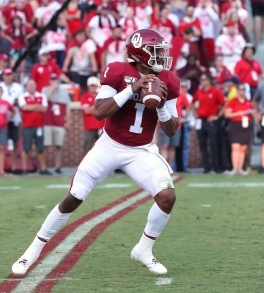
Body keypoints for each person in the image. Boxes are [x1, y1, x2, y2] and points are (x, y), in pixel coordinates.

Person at [12, 29, 180, 276]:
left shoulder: (169, 80)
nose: (162, 57)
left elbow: (172, 130)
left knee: (167, 196)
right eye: (156, 51)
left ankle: (144, 249)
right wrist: (132, 89)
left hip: (141, 150)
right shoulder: (118, 71)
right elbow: (99, 111)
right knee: (74, 196)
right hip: (109, 145)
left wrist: (163, 106)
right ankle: (32, 251)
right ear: (139, 53)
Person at [186, 73, 225, 173]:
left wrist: (218, 115)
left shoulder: (215, 91)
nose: (202, 82)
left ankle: (216, 166)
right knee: (202, 144)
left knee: (213, 144)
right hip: (201, 120)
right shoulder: (199, 92)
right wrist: (194, 113)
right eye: (201, 80)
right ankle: (206, 167)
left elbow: (224, 104)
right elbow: (192, 103)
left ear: (208, 81)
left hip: (211, 121)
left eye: (203, 80)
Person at [18, 79, 50, 175]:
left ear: (36, 86)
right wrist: (36, 106)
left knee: (40, 148)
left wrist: (31, 107)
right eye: (29, 85)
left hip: (39, 125)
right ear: (26, 86)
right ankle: (24, 168)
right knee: (26, 148)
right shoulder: (22, 96)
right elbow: (24, 107)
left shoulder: (41, 96)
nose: (31, 86)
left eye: (33, 84)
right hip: (27, 125)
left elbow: (44, 109)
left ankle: (43, 168)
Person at [42, 73, 71, 174]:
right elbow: (44, 100)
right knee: (46, 145)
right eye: (52, 80)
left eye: (56, 80)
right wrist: (51, 89)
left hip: (59, 122)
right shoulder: (45, 90)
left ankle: (57, 166)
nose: (54, 82)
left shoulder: (64, 92)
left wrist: (68, 121)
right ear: (50, 81)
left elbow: (68, 107)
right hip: (48, 122)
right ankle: (44, 166)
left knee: (59, 145)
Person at [225, 82, 253, 175]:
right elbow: (227, 114)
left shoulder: (248, 101)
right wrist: (239, 113)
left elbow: (253, 113)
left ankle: (240, 169)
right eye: (240, 89)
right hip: (235, 124)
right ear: (237, 91)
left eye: (243, 89)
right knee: (235, 147)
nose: (242, 91)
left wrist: (253, 113)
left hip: (245, 125)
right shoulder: (233, 101)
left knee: (243, 148)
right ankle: (235, 169)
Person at [0, 68, 23, 174]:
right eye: (6, 75)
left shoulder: (18, 87)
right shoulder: (1, 86)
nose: (8, 77)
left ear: (12, 75)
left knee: (15, 142)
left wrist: (16, 102)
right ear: (3, 76)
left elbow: (21, 101)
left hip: (14, 118)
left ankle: (14, 167)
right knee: (2, 145)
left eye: (10, 75)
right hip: (2, 119)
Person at [80, 76, 105, 155]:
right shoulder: (84, 96)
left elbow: (105, 110)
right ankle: (82, 167)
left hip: (102, 127)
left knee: (103, 150)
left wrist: (92, 108)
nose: (93, 87)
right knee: (87, 149)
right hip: (89, 127)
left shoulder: (102, 95)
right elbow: (87, 111)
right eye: (91, 85)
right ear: (88, 86)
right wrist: (99, 108)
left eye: (94, 85)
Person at [0, 86, 15, 176]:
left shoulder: (6, 103)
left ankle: (1, 170)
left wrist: (7, 119)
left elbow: (13, 111)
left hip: (3, 128)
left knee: (2, 148)